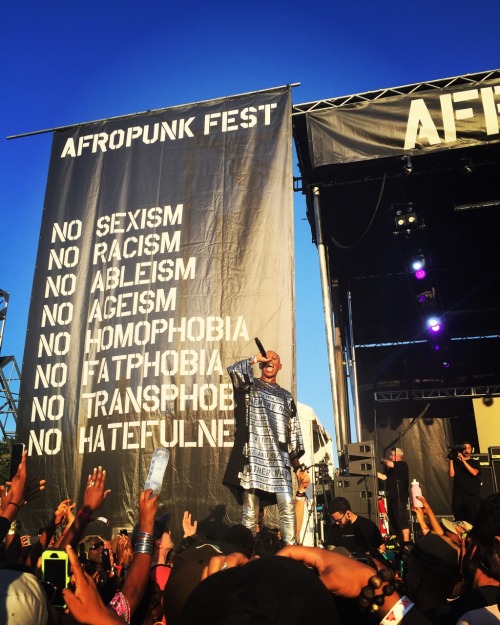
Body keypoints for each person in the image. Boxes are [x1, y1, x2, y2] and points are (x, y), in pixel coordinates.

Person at [223, 350, 307, 545]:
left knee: (286, 506)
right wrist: (255, 358)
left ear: (280, 367)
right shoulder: (250, 386)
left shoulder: (286, 396)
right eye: (266, 358)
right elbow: (235, 370)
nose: (270, 360)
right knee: (250, 512)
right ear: (261, 365)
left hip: (280, 461)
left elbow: (293, 433)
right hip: (253, 459)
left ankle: (290, 550)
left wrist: (298, 467)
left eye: (274, 358)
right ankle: (247, 551)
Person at [378, 447, 410, 543]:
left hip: (400, 497)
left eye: (392, 455)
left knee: (402, 520)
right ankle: (398, 540)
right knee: (393, 520)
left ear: (398, 456)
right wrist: (372, 472)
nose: (390, 457)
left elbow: (389, 463)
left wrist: (383, 460)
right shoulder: (392, 470)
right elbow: (384, 477)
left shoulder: (402, 465)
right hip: (391, 497)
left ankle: (406, 542)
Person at [448, 441, 481, 525]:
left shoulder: (474, 462)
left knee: (473, 518)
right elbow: (451, 474)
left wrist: (463, 461)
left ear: (471, 449)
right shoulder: (456, 462)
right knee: (459, 519)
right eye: (464, 448)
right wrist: (451, 459)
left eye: (468, 448)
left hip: (471, 494)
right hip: (459, 494)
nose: (466, 450)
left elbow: (474, 472)